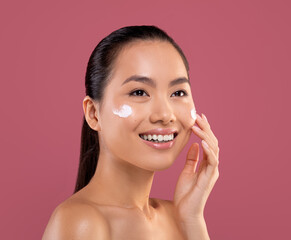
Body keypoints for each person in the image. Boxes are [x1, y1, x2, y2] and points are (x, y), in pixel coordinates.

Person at [42, 25, 220, 240]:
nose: (165, 114)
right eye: (139, 92)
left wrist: (192, 220)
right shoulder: (81, 221)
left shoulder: (180, 216)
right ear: (94, 114)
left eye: (178, 92)